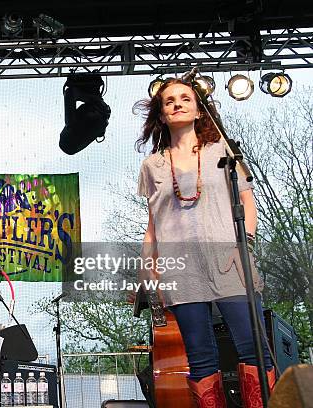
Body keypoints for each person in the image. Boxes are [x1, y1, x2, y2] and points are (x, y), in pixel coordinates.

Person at [134, 78, 275, 408]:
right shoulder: (152, 165)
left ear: (199, 110)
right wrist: (147, 267)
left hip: (228, 260)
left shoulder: (221, 152)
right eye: (169, 101)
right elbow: (153, 223)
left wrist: (246, 246)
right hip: (180, 268)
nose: (178, 104)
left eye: (185, 98)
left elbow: (247, 201)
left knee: (252, 347)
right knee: (199, 357)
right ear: (162, 114)